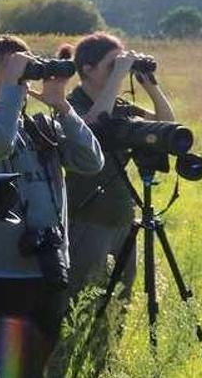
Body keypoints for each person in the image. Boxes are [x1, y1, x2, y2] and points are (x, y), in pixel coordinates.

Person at [0, 35, 104, 377]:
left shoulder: (43, 128)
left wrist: (63, 106)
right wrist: (11, 89)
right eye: (12, 69)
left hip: (51, 268)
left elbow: (91, 161)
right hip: (5, 276)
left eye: (25, 68)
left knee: (38, 368)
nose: (23, 78)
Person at [59, 33, 176, 298]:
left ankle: (108, 340)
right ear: (87, 70)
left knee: (120, 296)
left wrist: (150, 86)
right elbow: (94, 124)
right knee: (83, 296)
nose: (119, 72)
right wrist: (116, 78)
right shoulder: (71, 105)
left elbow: (167, 128)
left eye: (120, 66)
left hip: (122, 213)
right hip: (87, 215)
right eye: (112, 65)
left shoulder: (120, 105)